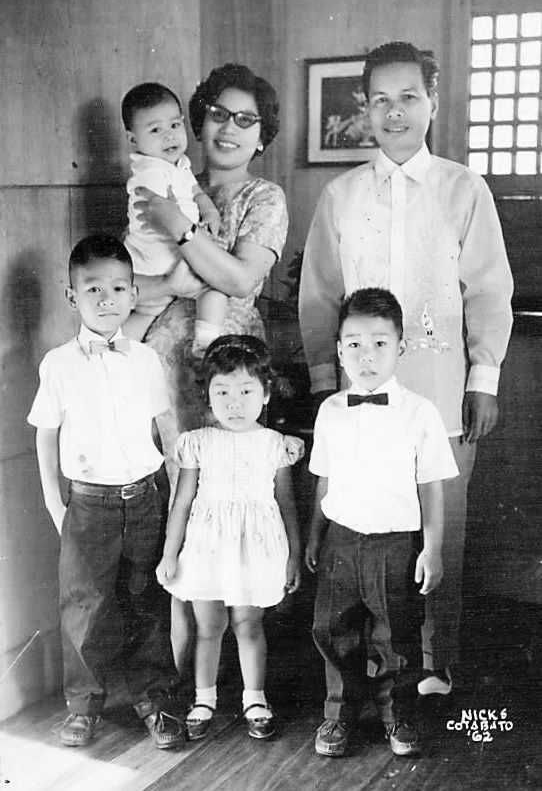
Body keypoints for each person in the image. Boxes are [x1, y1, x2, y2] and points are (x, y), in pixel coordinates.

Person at [299, 41, 514, 696]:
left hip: (442, 392)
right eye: (381, 100)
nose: (395, 113)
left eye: (409, 98)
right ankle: (370, 662)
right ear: (365, 107)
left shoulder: (462, 188)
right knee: (365, 529)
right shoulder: (339, 196)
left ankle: (433, 661)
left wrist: (484, 379)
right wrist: (320, 383)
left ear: (433, 103)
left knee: (437, 528)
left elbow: (487, 289)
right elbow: (317, 295)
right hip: (360, 398)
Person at [131, 63, 288, 677]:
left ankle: (241, 679)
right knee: (180, 504)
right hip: (159, 365)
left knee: (234, 503)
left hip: (227, 372)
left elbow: (242, 278)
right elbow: (133, 281)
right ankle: (184, 683)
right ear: (197, 120)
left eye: (246, 120)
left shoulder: (262, 197)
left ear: (262, 133)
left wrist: (185, 234)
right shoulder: (162, 177)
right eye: (219, 113)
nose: (229, 128)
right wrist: (167, 276)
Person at [27, 234, 183, 749]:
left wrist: (179, 489)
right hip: (87, 503)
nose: (106, 299)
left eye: (119, 287)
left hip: (144, 498)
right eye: (93, 289)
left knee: (145, 599)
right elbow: (45, 434)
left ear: (134, 294)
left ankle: (154, 699)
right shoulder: (58, 365)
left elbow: (167, 426)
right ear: (72, 296)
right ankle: (84, 704)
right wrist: (56, 502)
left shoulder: (145, 360)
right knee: (85, 605)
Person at [306, 288, 459, 757]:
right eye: (353, 344)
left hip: (395, 544)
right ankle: (340, 713)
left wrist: (431, 548)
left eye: (379, 344)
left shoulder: (420, 413)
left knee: (396, 632)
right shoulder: (331, 411)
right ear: (338, 349)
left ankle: (398, 713)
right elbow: (322, 481)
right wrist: (315, 536)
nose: (365, 356)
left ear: (401, 348)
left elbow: (432, 485)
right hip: (340, 542)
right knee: (335, 631)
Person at [155, 335, 303, 740]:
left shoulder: (275, 445)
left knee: (249, 624)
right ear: (207, 395)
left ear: (266, 393)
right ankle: (204, 698)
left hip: (256, 547)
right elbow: (182, 503)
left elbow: (287, 504)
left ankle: (255, 698)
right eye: (222, 392)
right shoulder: (198, 443)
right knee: (209, 625)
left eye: (245, 391)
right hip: (206, 546)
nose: (234, 402)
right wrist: (171, 553)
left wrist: (294, 554)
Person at [121, 82, 225, 354]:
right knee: (212, 290)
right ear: (133, 140)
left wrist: (209, 209)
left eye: (175, 126)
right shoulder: (148, 172)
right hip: (159, 261)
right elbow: (158, 216)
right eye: (155, 130)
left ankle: (113, 353)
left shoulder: (179, 164)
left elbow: (194, 190)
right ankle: (205, 344)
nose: (169, 136)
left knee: (146, 314)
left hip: (165, 263)